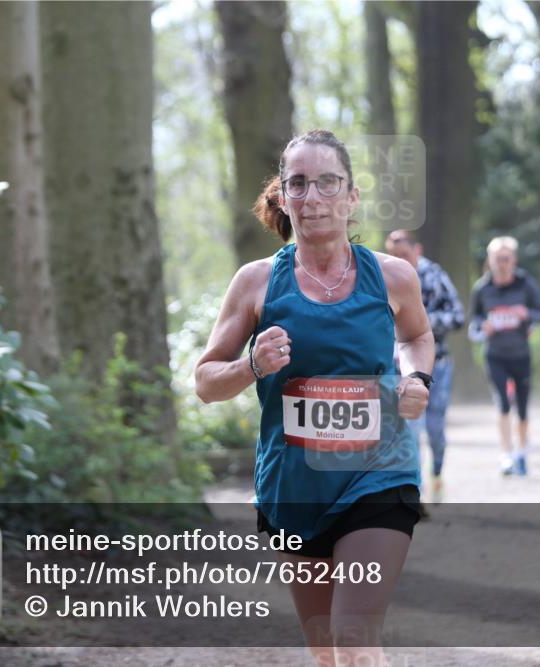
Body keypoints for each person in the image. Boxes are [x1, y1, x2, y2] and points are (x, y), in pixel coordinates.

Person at [195, 129, 434, 666]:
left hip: (380, 474)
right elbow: (206, 381)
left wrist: (417, 379)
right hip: (295, 484)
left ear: (351, 197)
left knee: (353, 640)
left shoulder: (393, 276)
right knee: (325, 651)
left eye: (328, 182)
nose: (313, 197)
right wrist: (251, 365)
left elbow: (416, 336)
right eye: (298, 184)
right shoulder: (256, 283)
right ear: (282, 197)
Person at [384, 230, 464, 503]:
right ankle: (414, 492)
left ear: (416, 250)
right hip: (401, 367)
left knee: (435, 430)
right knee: (410, 429)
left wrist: (420, 323)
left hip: (438, 364)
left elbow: (457, 316)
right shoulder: (385, 278)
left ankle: (437, 475)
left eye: (404, 255)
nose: (399, 261)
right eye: (394, 256)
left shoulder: (434, 276)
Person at [469, 236, 540, 476]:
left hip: (520, 354)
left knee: (522, 409)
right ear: (490, 260)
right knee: (502, 404)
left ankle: (522, 453)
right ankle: (506, 455)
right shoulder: (482, 289)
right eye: (497, 259)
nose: (502, 263)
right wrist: (483, 328)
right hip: (495, 355)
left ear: (514, 260)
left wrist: (527, 313)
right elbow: (473, 325)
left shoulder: (526, 285)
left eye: (506, 258)